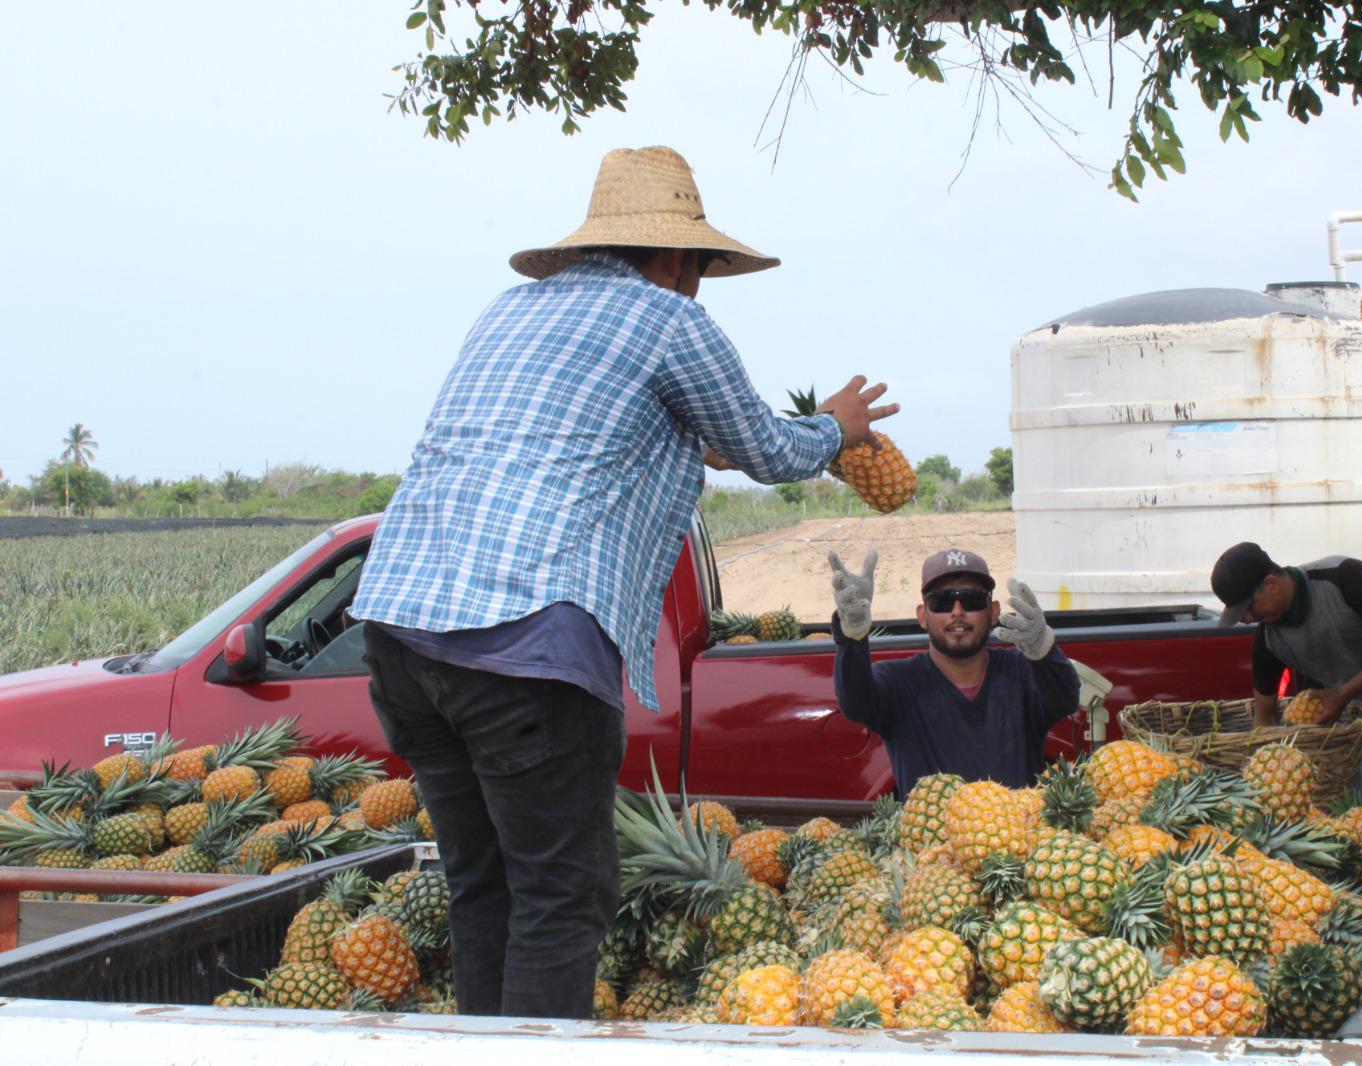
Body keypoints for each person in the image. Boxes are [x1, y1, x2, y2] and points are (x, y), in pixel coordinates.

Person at [349, 146, 898, 1020]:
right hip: (520, 643)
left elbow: (587, 436)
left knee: (483, 886)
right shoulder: (671, 322)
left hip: (400, 632)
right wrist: (836, 426)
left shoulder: (507, 312)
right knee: (562, 899)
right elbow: (767, 449)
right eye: (703, 269)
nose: (699, 284)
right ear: (679, 258)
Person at [828, 547, 1083, 798]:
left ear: (994, 612)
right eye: (942, 602)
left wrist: (1044, 649)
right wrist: (852, 637)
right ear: (923, 616)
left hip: (1019, 837)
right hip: (930, 840)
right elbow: (855, 702)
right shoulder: (898, 682)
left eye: (972, 600)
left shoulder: (1022, 671)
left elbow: (1065, 698)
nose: (957, 611)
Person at [1210, 541, 1362, 803]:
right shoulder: (1268, 640)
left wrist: (1344, 694)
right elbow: (1264, 718)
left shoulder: (1343, 577)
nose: (1246, 618)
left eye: (1247, 608)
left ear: (1271, 584)